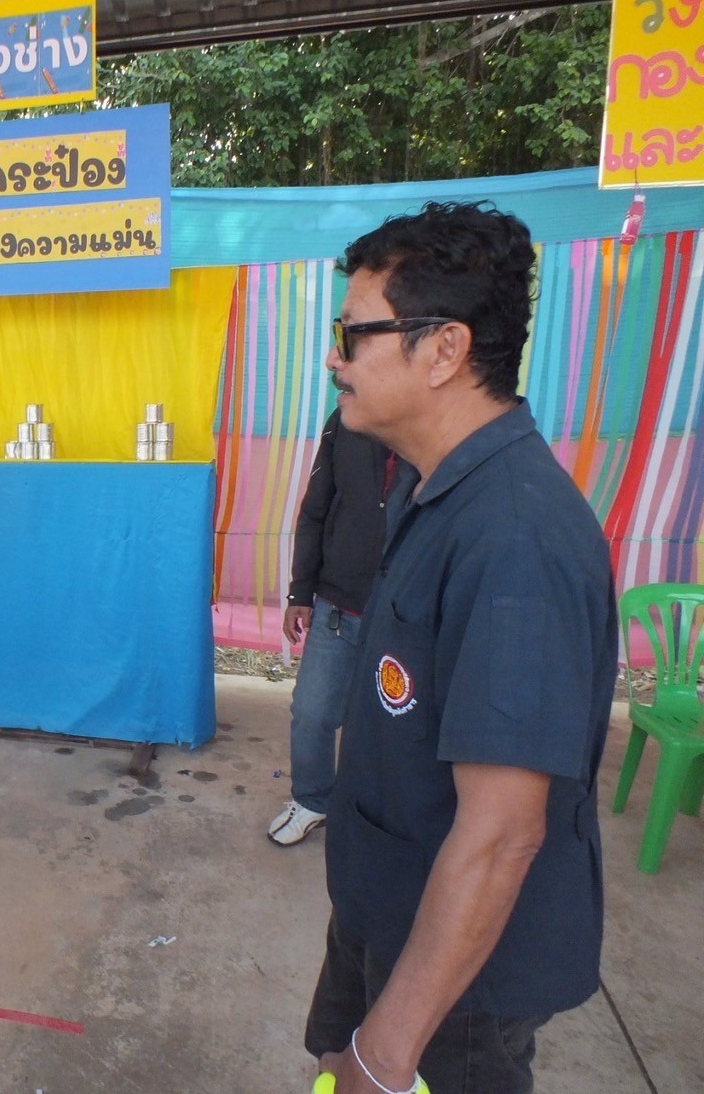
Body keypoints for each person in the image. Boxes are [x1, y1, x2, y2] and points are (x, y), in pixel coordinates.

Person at [305, 202, 617, 1094]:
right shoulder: (434, 486)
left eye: (353, 334)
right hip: (387, 907)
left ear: (442, 349)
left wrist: (385, 1053)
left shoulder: (514, 537)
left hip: (457, 985)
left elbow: (501, 833)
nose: (335, 359)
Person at [268, 407, 396, 846]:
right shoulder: (345, 421)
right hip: (338, 603)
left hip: (403, 615)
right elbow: (315, 509)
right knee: (312, 712)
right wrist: (300, 593)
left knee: (389, 724)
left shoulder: (437, 421)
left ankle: (376, 816)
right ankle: (311, 800)